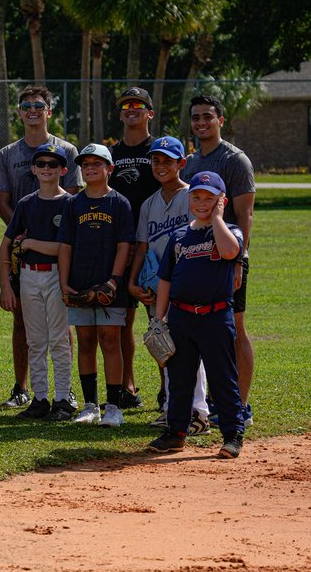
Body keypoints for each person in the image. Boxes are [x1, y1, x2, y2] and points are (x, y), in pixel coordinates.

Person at [145, 171, 247, 459]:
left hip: (216, 316)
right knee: (179, 378)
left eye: (210, 199)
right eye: (197, 197)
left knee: (222, 377)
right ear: (189, 199)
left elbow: (230, 252)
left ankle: (232, 434)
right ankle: (176, 433)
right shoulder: (179, 236)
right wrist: (159, 318)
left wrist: (216, 218)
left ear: (221, 201)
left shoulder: (230, 230)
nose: (202, 203)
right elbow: (165, 280)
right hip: (181, 316)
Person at [0, 85, 80, 410]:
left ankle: (64, 394)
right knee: (27, 328)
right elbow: (2, 203)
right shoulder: (9, 154)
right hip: (24, 258)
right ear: (19, 111)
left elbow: (71, 208)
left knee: (60, 331)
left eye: (38, 105)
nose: (32, 110)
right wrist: (22, 236)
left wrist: (36, 238)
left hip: (58, 262)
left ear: (49, 111)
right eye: (26, 105)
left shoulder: (67, 150)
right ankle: (28, 390)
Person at [127, 137, 211, 435]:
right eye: (156, 161)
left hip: (186, 285)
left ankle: (198, 411)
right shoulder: (149, 203)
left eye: (167, 161)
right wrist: (132, 281)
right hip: (155, 288)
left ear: (181, 164)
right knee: (164, 348)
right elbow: (141, 246)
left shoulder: (193, 197)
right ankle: (171, 409)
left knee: (190, 350)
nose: (161, 166)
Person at [183, 94, 257, 424]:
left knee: (235, 330)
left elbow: (245, 215)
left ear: (220, 121)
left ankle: (239, 407)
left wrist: (237, 261)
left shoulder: (234, 160)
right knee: (205, 332)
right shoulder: (191, 162)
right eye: (196, 117)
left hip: (228, 256)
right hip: (198, 257)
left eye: (208, 117)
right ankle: (211, 403)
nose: (201, 122)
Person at [57, 143, 135, 427]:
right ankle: (90, 406)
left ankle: (114, 405)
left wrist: (114, 281)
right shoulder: (73, 203)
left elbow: (124, 245)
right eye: (85, 164)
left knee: (110, 341)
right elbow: (64, 246)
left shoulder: (119, 203)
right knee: (86, 342)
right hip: (79, 283)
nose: (90, 168)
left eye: (96, 163)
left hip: (109, 286)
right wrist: (64, 283)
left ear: (109, 169)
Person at [107, 87, 161, 409]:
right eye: (126, 105)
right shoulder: (111, 154)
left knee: (160, 319)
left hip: (155, 245)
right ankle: (127, 385)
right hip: (124, 246)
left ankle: (168, 388)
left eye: (138, 105)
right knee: (123, 321)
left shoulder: (159, 149)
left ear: (149, 113)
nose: (131, 109)